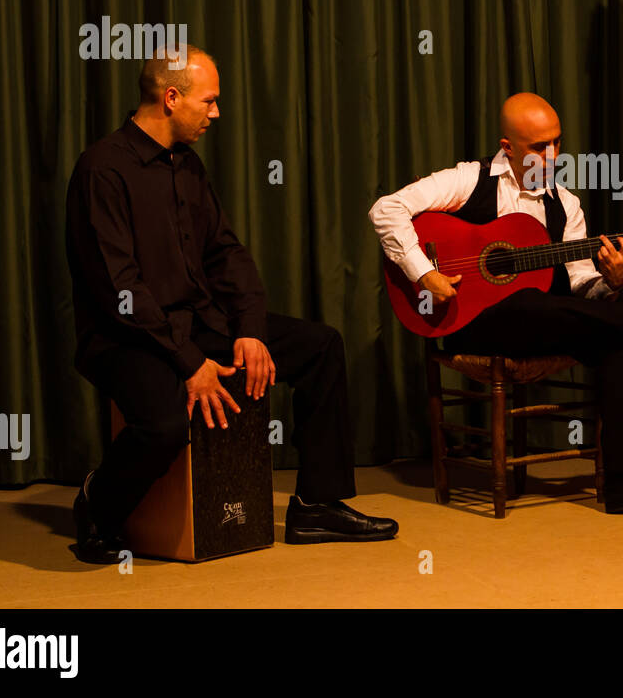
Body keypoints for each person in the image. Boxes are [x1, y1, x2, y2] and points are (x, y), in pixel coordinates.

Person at [65, 45, 396, 565]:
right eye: (210, 101)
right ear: (172, 98)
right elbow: (118, 287)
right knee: (165, 424)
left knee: (320, 347)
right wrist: (188, 361)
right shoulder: (102, 169)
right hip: (124, 337)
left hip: (197, 324)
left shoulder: (188, 167)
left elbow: (225, 254)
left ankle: (316, 505)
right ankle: (96, 505)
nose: (216, 114)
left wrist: (250, 329)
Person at [368, 92, 623, 513]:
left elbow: (579, 284)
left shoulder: (565, 204)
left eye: (557, 142)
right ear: (508, 148)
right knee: (528, 301)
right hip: (471, 319)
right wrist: (425, 273)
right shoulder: (468, 180)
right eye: (539, 147)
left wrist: (611, 282)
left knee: (614, 334)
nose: (552, 155)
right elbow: (386, 209)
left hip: (546, 322)